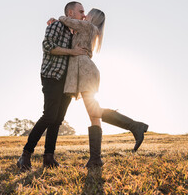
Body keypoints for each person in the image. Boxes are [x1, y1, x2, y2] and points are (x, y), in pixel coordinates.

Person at [58, 9, 149, 168]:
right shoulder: (88, 29)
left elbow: (68, 21)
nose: (85, 15)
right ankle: (96, 158)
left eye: (88, 13)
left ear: (93, 17)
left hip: (86, 72)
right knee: (94, 115)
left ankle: (134, 126)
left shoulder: (88, 26)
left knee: (94, 112)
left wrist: (59, 17)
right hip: (85, 72)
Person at [16, 1, 87, 171]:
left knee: (57, 120)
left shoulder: (75, 33)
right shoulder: (56, 25)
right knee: (49, 116)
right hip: (52, 76)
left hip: (68, 82)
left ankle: (49, 157)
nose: (83, 15)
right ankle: (25, 155)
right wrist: (72, 52)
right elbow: (47, 46)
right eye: (80, 11)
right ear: (70, 13)